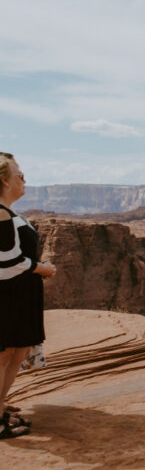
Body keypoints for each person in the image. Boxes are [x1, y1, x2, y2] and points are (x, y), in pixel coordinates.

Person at [0, 152, 57, 439]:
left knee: (16, 352)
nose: (24, 180)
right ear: (4, 180)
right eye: (19, 174)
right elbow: (5, 262)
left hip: (17, 297)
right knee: (4, 354)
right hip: (8, 297)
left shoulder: (7, 211)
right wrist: (40, 268)